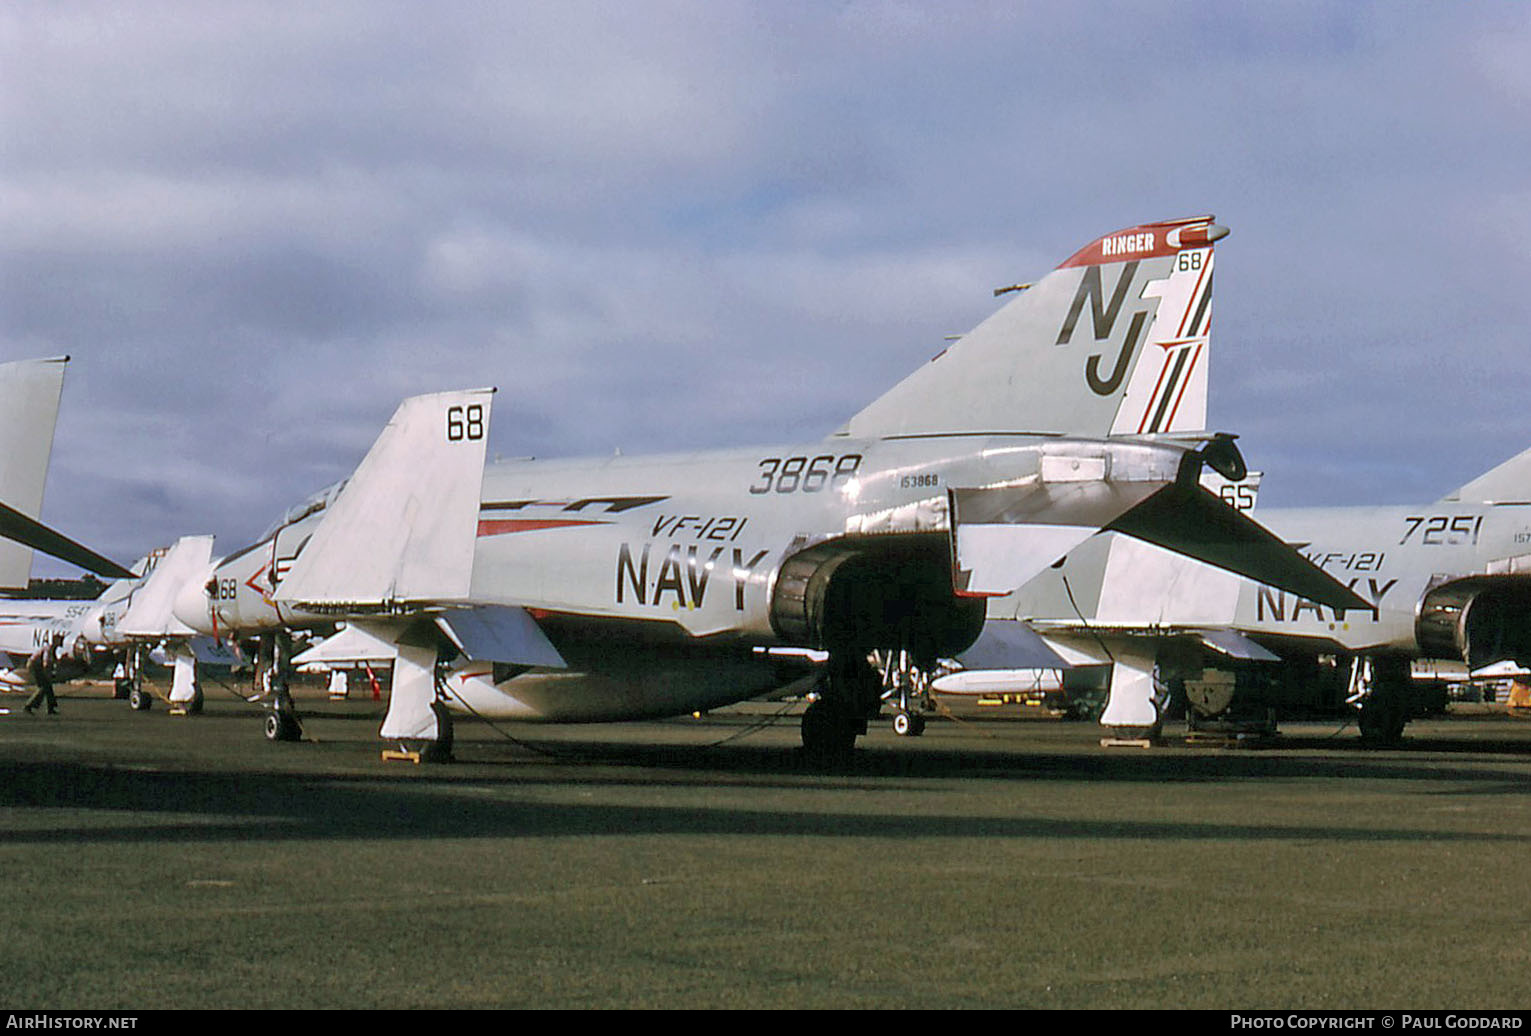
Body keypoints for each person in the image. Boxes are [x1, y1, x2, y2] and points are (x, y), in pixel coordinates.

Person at [23, 634, 62, 715]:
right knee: (43, 687)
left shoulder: (53, 649)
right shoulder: (48, 649)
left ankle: (51, 707)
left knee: (48, 687)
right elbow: (46, 663)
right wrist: (47, 674)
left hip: (39, 666)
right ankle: (29, 705)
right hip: (35, 666)